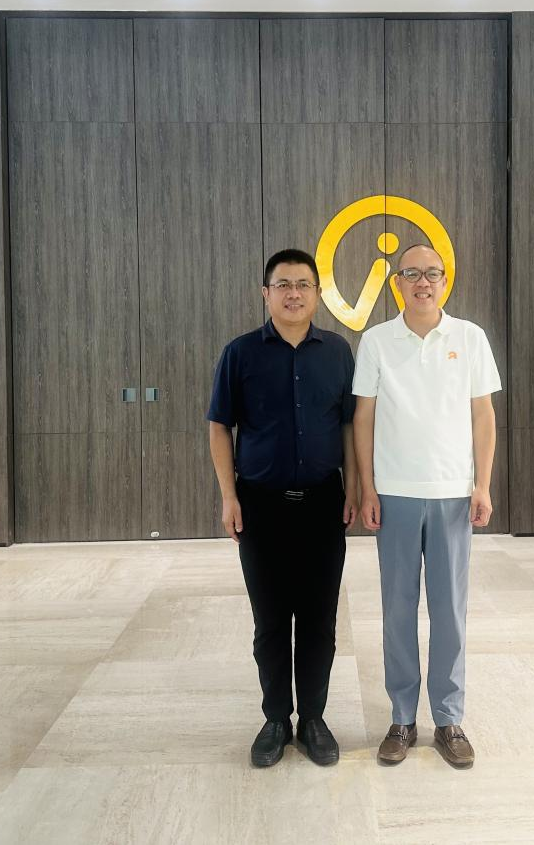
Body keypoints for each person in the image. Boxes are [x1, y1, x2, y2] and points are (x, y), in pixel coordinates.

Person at [207, 248, 358, 768]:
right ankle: (275, 719)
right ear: (266, 293)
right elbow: (219, 426)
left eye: (303, 285)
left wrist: (355, 488)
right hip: (261, 506)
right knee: (270, 621)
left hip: (322, 504)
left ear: (317, 294)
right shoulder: (240, 353)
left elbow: (348, 426)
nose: (294, 294)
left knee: (318, 620)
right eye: (283, 285)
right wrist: (229, 496)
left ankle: (313, 719)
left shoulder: (337, 353)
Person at [352, 244, 501, 769]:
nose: (423, 282)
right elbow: (364, 418)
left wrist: (482, 485)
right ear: (397, 282)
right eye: (412, 274)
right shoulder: (376, 341)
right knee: (397, 610)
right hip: (394, 492)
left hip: (452, 493)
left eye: (432, 274)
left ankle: (449, 719)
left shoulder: (470, 337)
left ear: (445, 281)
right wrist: (368, 488)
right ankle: (401, 718)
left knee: (449, 611)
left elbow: (483, 416)